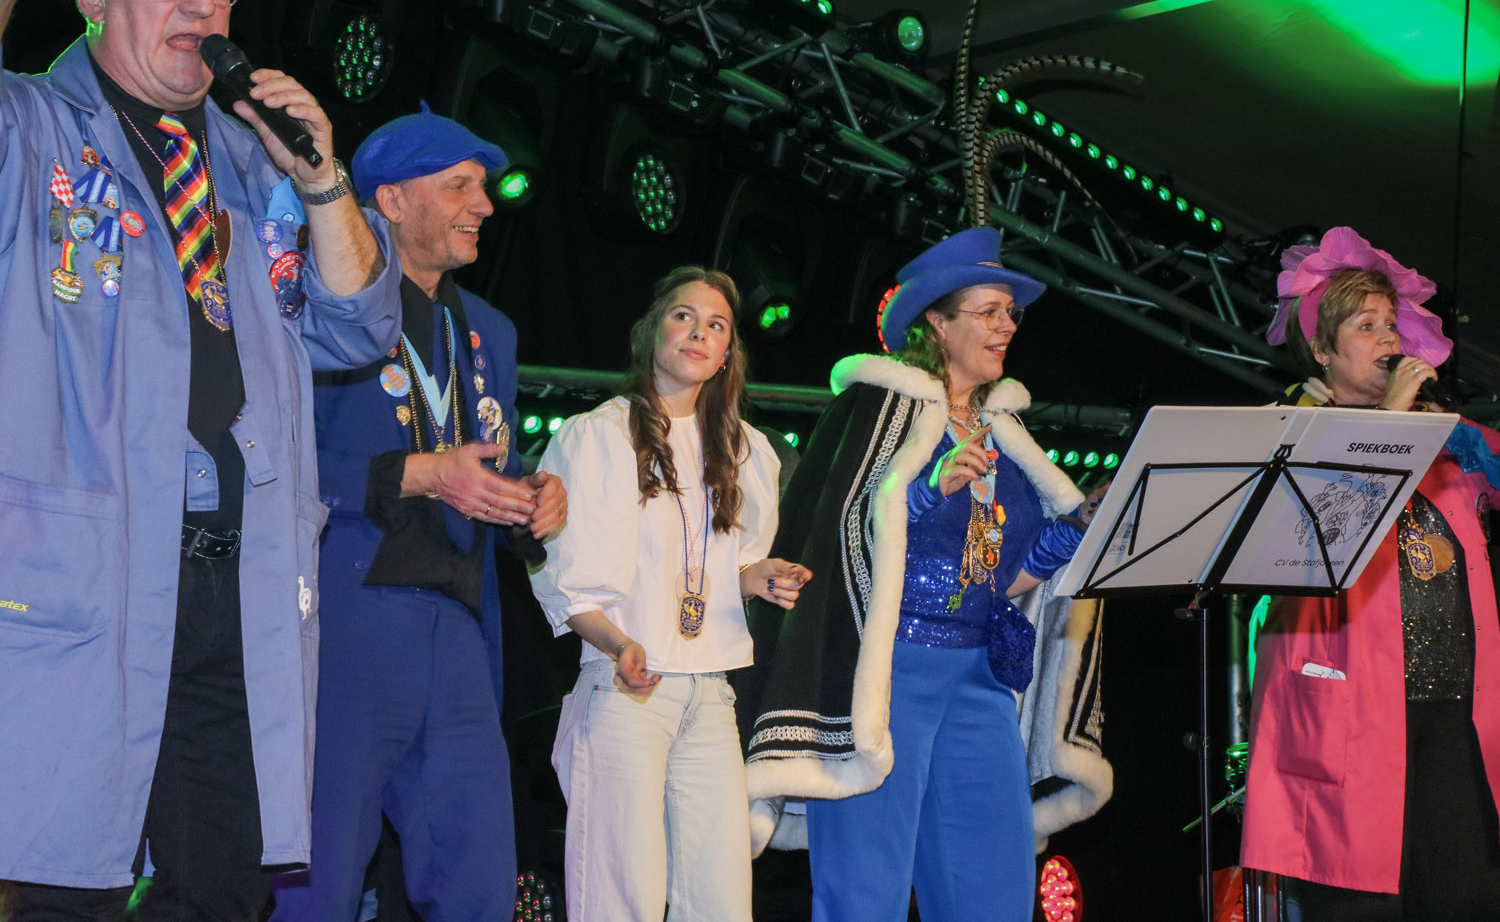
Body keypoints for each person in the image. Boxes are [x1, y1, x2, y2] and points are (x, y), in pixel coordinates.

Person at [0, 0, 401, 918]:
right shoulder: (33, 124)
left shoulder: (251, 165)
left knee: (226, 885)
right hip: (86, 568)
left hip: (238, 580)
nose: (201, 3)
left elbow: (360, 323)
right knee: (63, 876)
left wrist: (320, 177)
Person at [734, 226, 1107, 922]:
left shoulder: (1005, 430)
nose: (1006, 326)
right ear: (937, 322)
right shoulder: (876, 410)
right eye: (988, 312)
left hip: (980, 680)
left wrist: (1077, 526)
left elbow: (1004, 576)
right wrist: (928, 490)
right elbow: (844, 539)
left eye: (1010, 313)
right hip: (886, 678)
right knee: (864, 897)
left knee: (993, 895)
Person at [267, 108, 567, 921]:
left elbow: (488, 463)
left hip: (460, 631)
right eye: (460, 186)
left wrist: (530, 498)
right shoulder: (314, 304)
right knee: (320, 877)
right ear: (392, 201)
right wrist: (418, 474)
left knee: (481, 881)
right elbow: (275, 460)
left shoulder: (492, 332)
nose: (485, 205)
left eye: (483, 187)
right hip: (348, 614)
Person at [530, 266, 812, 922]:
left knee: (722, 903)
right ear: (652, 330)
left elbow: (716, 571)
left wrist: (756, 576)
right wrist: (619, 644)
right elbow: (563, 580)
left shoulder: (746, 450)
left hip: (710, 696)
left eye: (716, 325)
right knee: (620, 899)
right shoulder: (597, 435)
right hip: (625, 692)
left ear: (727, 354)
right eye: (684, 316)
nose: (698, 332)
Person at [1243, 226, 1500, 920]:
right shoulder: (1291, 431)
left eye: (1391, 323)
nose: (1389, 337)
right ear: (1323, 351)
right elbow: (1318, 542)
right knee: (1360, 906)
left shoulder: (1444, 437)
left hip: (1451, 719)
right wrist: (1388, 422)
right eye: (1365, 325)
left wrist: (1446, 434)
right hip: (1351, 725)